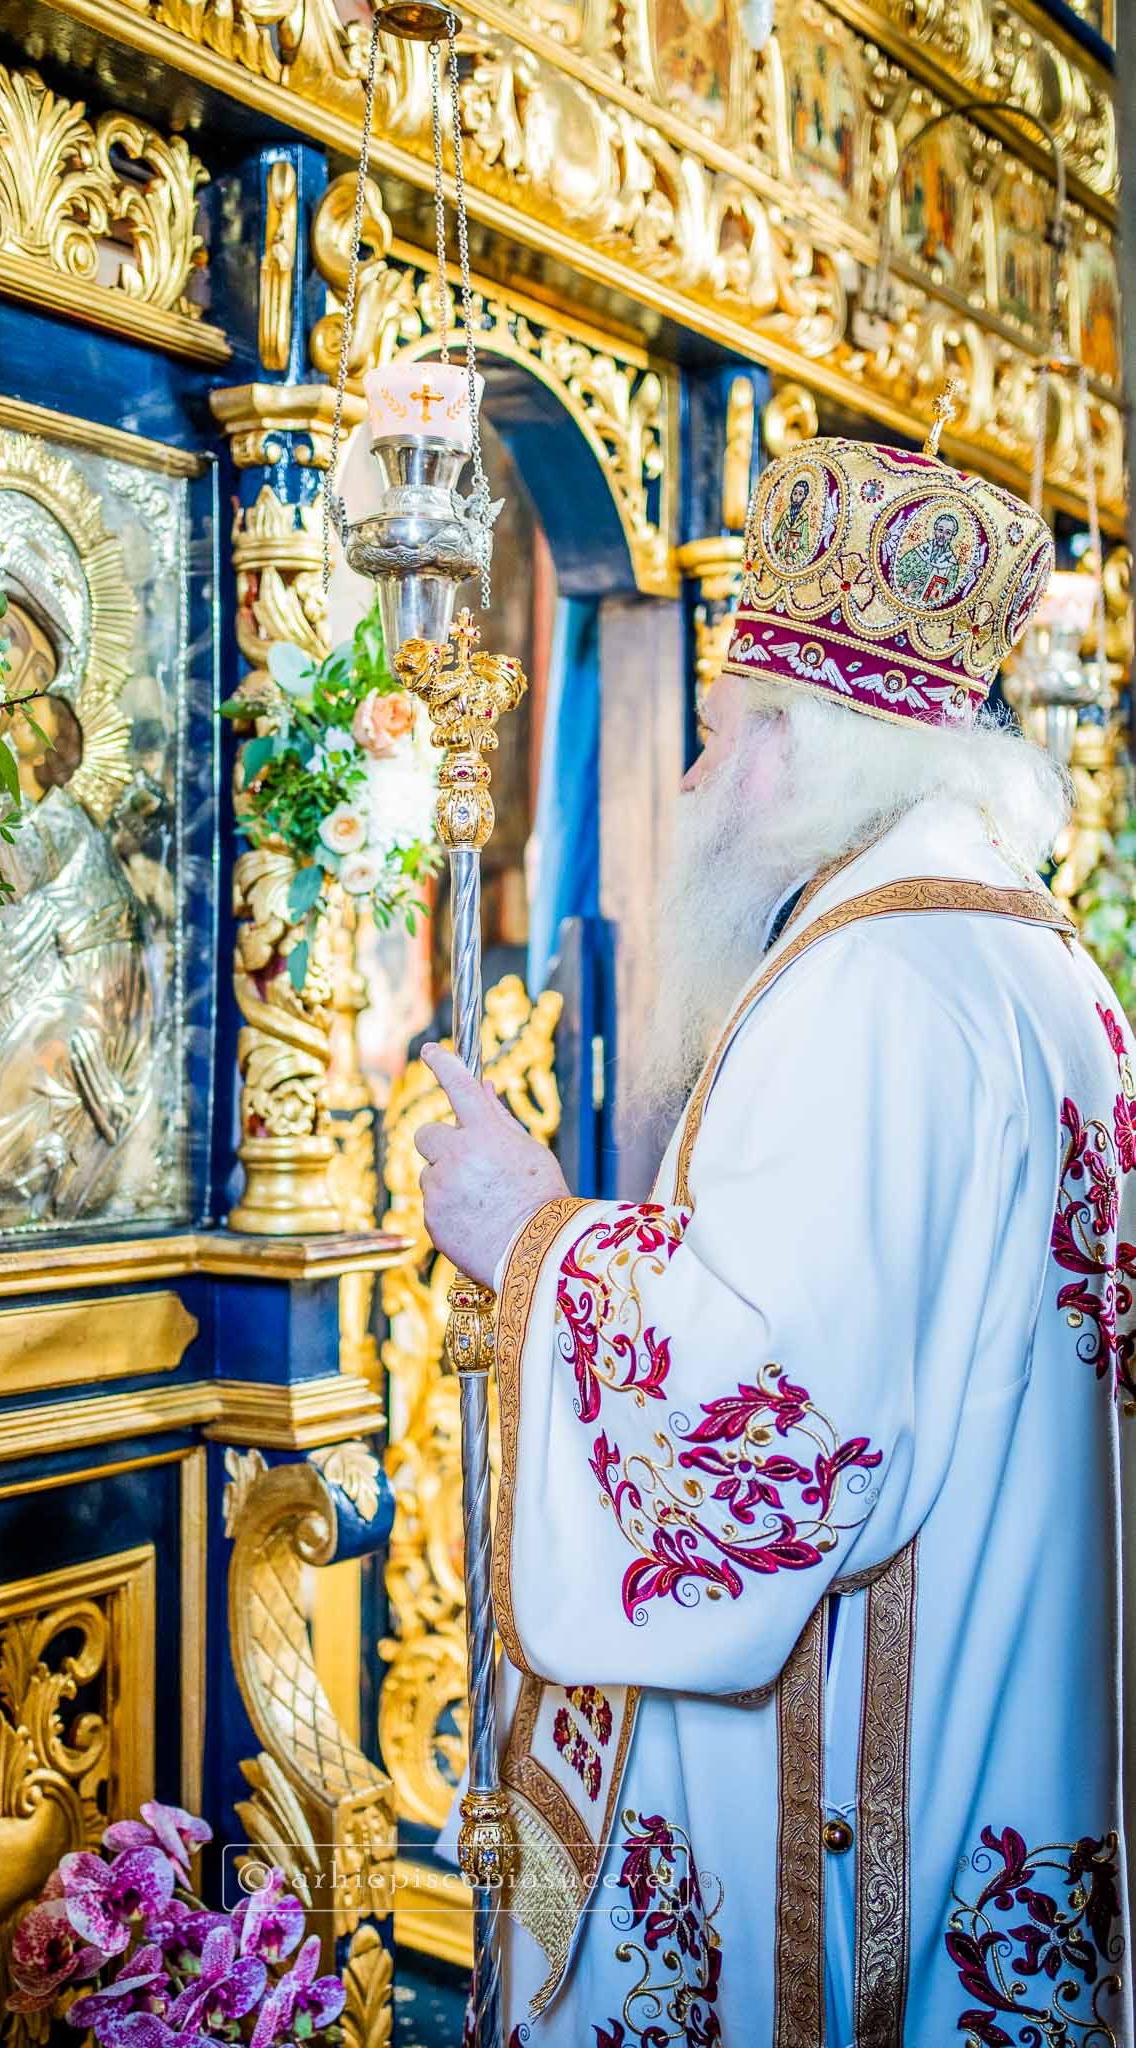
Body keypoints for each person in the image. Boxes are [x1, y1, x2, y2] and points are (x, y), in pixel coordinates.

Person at [416, 433, 1135, 2047]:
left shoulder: (876, 986)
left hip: (886, 1760)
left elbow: (779, 1416)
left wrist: (529, 1236)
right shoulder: (1034, 959)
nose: (685, 782)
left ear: (798, 750)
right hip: (1017, 1692)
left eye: (714, 733)